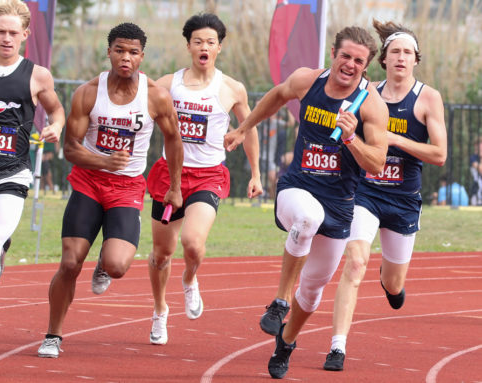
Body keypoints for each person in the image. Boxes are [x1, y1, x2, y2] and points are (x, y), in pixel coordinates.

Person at [224, 26, 389, 379]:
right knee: (307, 218)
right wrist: (243, 128)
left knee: (313, 291)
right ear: (333, 53)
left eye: (358, 61)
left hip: (340, 202)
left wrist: (350, 139)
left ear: (366, 67)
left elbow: (376, 162)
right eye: (345, 56)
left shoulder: (371, 105)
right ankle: (280, 300)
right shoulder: (307, 80)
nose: (350, 65)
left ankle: (287, 340)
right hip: (297, 187)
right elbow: (277, 96)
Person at [37, 22, 183, 358]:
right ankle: (52, 335)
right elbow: (71, 148)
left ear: (142, 57)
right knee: (71, 263)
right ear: (109, 52)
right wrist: (103, 162)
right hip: (89, 182)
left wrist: (175, 188)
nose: (125, 57)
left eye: (133, 52)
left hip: (127, 187)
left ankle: (104, 262)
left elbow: (174, 140)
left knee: (117, 265)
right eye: (119, 50)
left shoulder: (156, 96)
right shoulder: (88, 92)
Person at [323, 20, 447, 372]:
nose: (401, 58)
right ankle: (337, 346)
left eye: (408, 53)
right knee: (355, 262)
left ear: (415, 60)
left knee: (394, 284)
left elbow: (439, 154)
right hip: (365, 191)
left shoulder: (427, 98)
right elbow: (339, 136)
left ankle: (390, 283)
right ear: (385, 59)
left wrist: (395, 140)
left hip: (404, 199)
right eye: (395, 52)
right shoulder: (366, 93)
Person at [144, 13, 262, 345]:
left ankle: (190, 279)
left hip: (209, 175)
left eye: (210, 42)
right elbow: (139, 115)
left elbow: (248, 128)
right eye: (198, 41)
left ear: (219, 47)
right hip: (170, 176)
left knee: (193, 243)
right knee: (160, 254)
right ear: (188, 46)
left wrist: (254, 173)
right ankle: (160, 310)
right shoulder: (168, 84)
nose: (204, 47)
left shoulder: (231, 88)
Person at [0, 0, 64, 315]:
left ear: (25, 34)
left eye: (13, 33)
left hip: (10, 174)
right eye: (1, 31)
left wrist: (56, 126)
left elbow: (56, 109)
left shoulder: (37, 75)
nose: (6, 38)